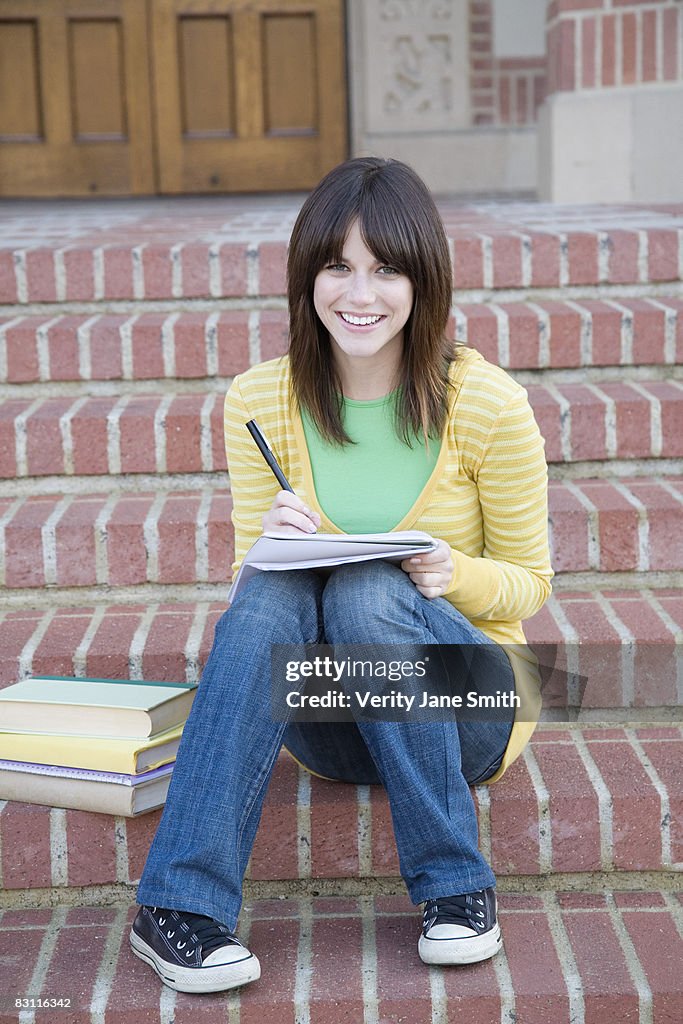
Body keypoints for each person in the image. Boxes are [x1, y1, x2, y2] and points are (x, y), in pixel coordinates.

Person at [129, 157, 553, 994]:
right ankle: (177, 908)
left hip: (471, 702)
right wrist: (275, 542)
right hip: (329, 716)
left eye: (386, 268)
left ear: (422, 279)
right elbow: (268, 595)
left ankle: (455, 888)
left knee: (368, 588)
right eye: (338, 266)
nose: (360, 295)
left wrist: (445, 571)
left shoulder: (486, 403)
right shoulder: (259, 400)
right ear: (306, 275)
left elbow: (529, 583)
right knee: (278, 585)